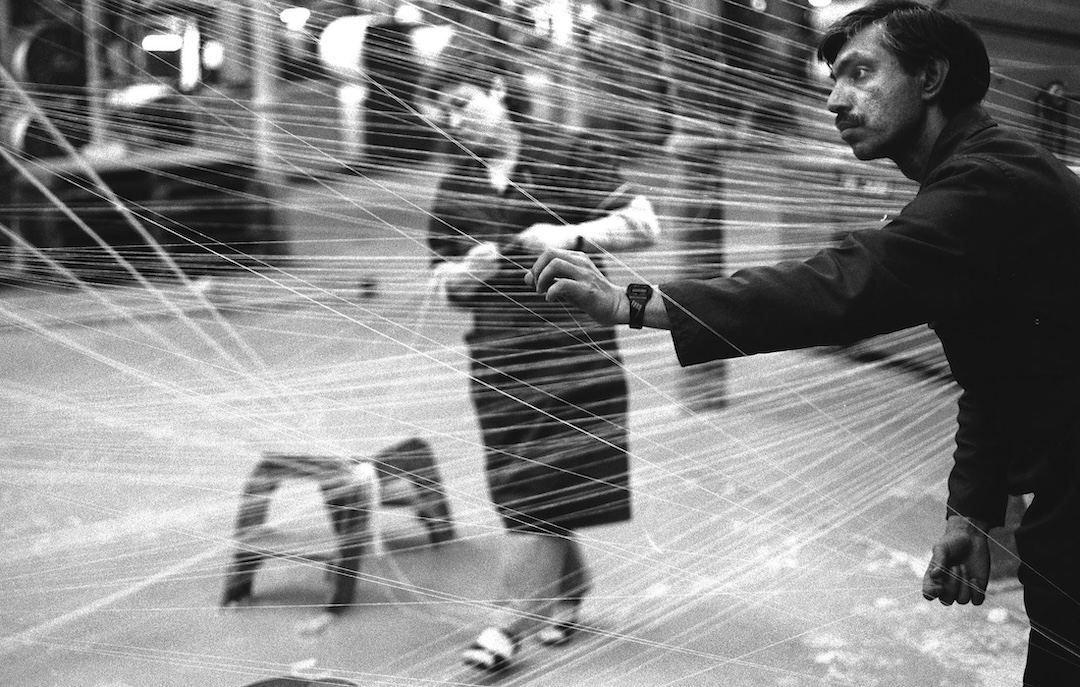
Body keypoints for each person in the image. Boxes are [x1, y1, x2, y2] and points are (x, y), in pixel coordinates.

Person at [526, 2, 1080, 684]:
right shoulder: (979, 178)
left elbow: (836, 288)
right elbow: (996, 366)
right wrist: (971, 508)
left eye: (860, 73)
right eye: (832, 79)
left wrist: (630, 301)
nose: (834, 99)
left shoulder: (986, 187)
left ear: (932, 76)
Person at [426, 75, 660, 671]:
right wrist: (464, 274)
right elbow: (443, 286)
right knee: (523, 485)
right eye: (442, 113)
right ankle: (570, 586)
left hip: (574, 349)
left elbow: (644, 224)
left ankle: (507, 624)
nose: (455, 120)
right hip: (500, 357)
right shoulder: (453, 189)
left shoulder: (566, 152)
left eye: (462, 102)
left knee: (543, 484)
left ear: (499, 91)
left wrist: (570, 232)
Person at [1034, 79, 1070, 157]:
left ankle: (1059, 155)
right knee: (1047, 134)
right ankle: (1047, 154)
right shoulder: (1045, 96)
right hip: (1048, 116)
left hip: (1057, 116)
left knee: (1060, 135)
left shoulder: (1062, 99)